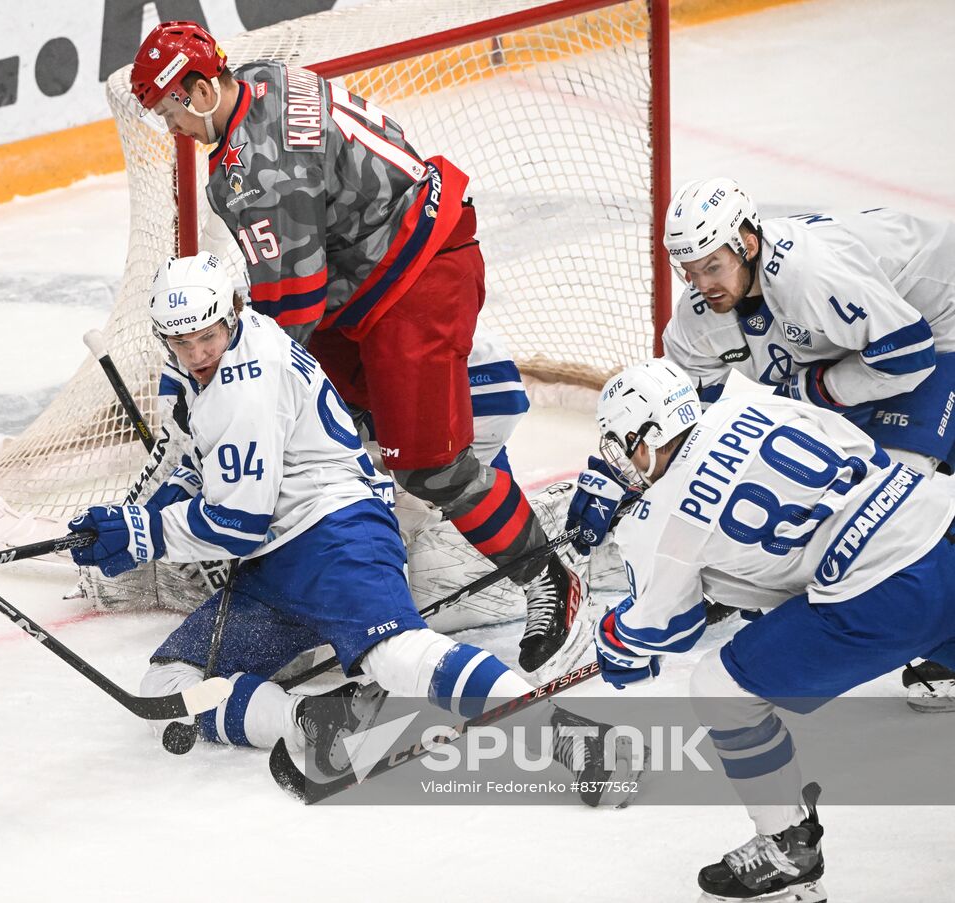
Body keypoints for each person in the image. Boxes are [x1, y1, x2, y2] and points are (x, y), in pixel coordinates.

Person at [68, 255, 639, 804]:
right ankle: (310, 720)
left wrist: (141, 535)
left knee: (396, 657)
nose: (196, 354)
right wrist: (126, 520)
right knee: (169, 682)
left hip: (334, 535)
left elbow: (237, 525)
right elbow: (200, 466)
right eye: (181, 341)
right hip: (276, 565)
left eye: (206, 337)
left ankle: (575, 738)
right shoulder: (205, 366)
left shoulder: (246, 382)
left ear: (234, 311)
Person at [127, 22, 580, 674]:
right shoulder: (261, 80)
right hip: (382, 270)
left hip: (415, 280)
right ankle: (363, 550)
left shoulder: (253, 172)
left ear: (200, 88)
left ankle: (547, 578)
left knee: (427, 465)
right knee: (337, 424)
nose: (174, 126)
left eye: (172, 108)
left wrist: (228, 396)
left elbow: (296, 308)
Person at [569, 176, 955, 710]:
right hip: (866, 344)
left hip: (936, 325)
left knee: (902, 483)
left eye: (711, 266)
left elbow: (907, 356)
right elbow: (671, 403)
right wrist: (609, 472)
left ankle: (930, 636)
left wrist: (816, 388)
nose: (700, 283)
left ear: (747, 243)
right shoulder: (702, 311)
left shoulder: (807, 274)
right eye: (689, 270)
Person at [585, 358, 955, 901]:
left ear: (649, 435)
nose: (625, 464)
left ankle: (787, 848)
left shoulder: (658, 521)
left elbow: (667, 631)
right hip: (938, 509)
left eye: (621, 446)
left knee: (721, 689)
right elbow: (866, 455)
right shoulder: (748, 400)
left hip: (887, 594)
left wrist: (614, 642)